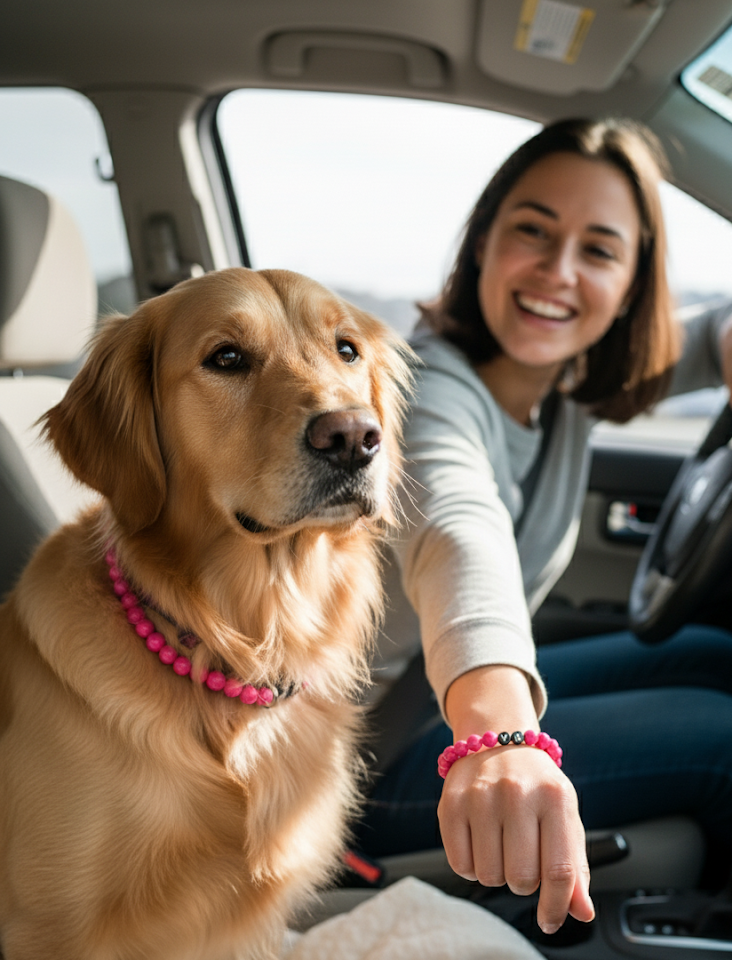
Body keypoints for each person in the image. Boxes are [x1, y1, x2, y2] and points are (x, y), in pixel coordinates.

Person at [355, 117, 732, 936]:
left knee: (713, 655)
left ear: (631, 285)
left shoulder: (564, 380)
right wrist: (498, 739)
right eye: (533, 230)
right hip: (367, 756)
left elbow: (708, 338)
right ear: (483, 241)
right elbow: (459, 531)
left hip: (427, 701)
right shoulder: (431, 393)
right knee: (723, 740)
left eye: (599, 250)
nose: (558, 272)